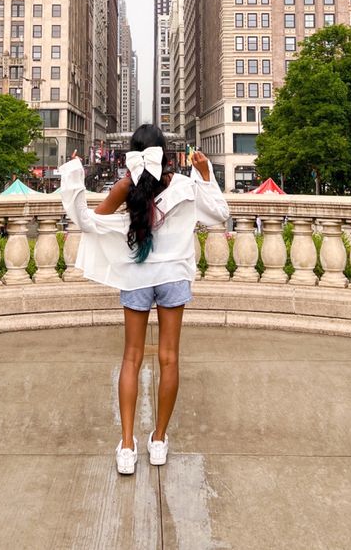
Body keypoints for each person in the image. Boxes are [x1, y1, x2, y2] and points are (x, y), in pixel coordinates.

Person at [59, 123, 229, 475]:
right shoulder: (183, 186)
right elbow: (220, 213)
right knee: (169, 358)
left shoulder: (125, 186)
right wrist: (206, 174)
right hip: (173, 277)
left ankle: (126, 445)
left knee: (132, 358)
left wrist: (75, 177)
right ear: (166, 154)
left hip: (136, 277)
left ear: (131, 154)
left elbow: (90, 223)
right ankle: (159, 440)